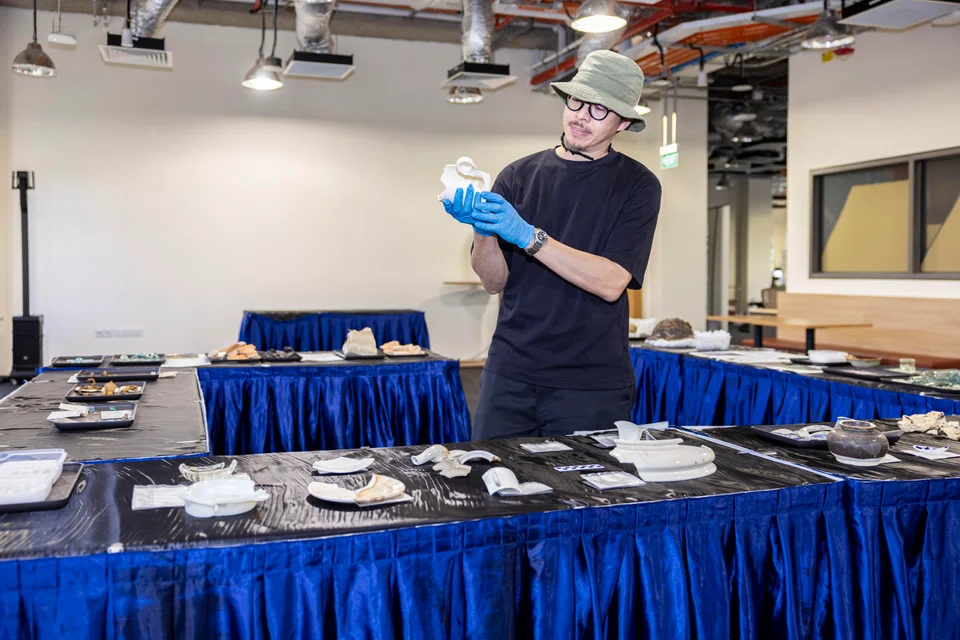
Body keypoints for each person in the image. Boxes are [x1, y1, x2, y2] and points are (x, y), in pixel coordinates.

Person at [441, 50, 662, 439]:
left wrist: (528, 236)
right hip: (510, 373)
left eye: (599, 109)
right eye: (577, 101)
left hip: (591, 382)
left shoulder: (638, 186)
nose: (581, 116)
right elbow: (493, 282)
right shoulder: (517, 176)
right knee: (492, 477)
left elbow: (611, 282)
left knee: (587, 480)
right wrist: (482, 230)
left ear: (624, 122)